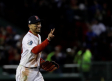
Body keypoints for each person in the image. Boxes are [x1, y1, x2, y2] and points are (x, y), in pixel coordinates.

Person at [15, 15, 59, 81]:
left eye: (39, 23)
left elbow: (34, 54)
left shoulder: (38, 36)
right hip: (25, 71)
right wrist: (48, 39)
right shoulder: (27, 38)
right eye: (36, 24)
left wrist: (41, 62)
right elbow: (35, 50)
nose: (39, 26)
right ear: (29, 26)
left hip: (36, 71)